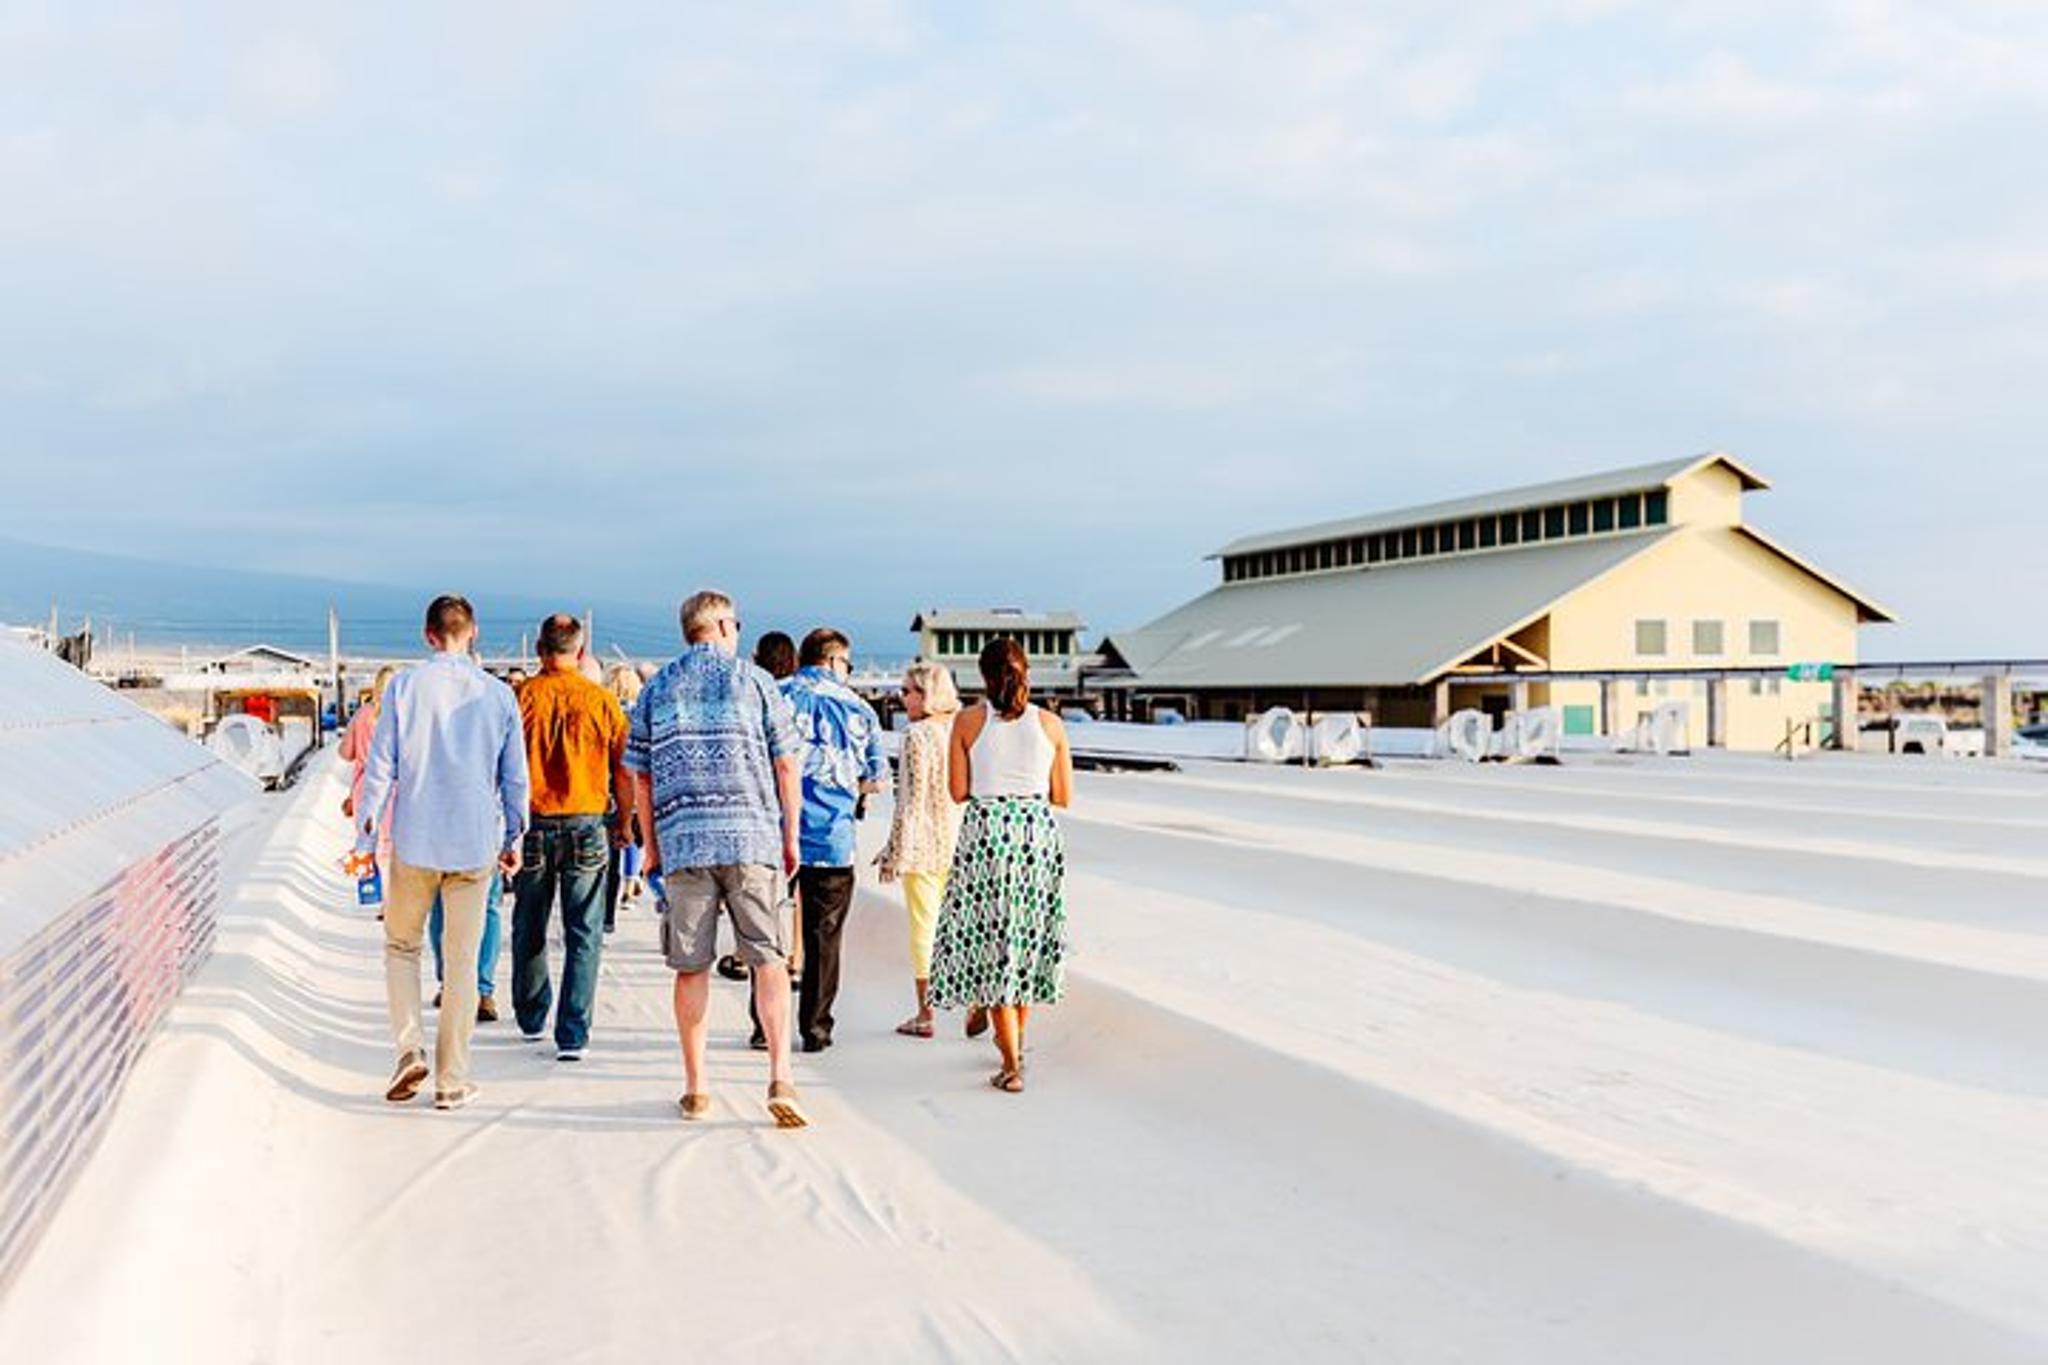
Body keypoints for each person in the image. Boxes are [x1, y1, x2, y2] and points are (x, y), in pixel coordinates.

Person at [625, 590, 809, 1128]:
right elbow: (787, 764)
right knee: (769, 960)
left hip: (684, 841)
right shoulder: (757, 682)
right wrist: (790, 835)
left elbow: (640, 776)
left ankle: (697, 1086)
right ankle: (780, 1075)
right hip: (752, 838)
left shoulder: (657, 687)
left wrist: (651, 845)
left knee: (692, 966)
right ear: (724, 626)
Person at [353, 595, 528, 1111]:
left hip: (416, 841)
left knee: (401, 947)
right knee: (462, 962)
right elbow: (515, 778)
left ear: (428, 636)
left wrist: (365, 840)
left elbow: (380, 769)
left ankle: (410, 1049)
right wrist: (514, 837)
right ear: (473, 632)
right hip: (473, 845)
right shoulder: (498, 695)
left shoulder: (404, 687)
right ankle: (452, 1078)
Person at [927, 638, 1074, 1094]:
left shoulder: (968, 721)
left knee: (992, 942)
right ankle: (1014, 1042)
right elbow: (1063, 795)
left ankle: (1010, 1065)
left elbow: (957, 791)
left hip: (987, 833)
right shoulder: (1051, 724)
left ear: (983, 675)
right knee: (1024, 940)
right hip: (1036, 834)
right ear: (1027, 672)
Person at [510, 614, 631, 1061]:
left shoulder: (521, 698)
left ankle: (530, 1016)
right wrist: (625, 822)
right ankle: (572, 1033)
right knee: (584, 931)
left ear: (540, 649)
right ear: (579, 653)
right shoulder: (602, 701)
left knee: (529, 923)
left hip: (533, 822)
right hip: (586, 821)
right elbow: (623, 770)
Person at [780, 628, 885, 1053]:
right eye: (848, 665)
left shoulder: (775, 696)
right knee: (824, 938)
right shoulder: (860, 709)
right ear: (833, 661)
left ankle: (764, 1025)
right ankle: (816, 1029)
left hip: (776, 834)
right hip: (832, 839)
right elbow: (875, 779)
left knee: (768, 933)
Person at [877, 660, 962, 1039]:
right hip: (961, 841)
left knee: (924, 929)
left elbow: (910, 800)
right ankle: (976, 1003)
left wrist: (895, 850)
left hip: (925, 844)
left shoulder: (917, 735)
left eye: (908, 691)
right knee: (959, 926)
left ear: (926, 695)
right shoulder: (960, 728)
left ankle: (926, 1014)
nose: (902, 698)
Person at [731, 632, 799, 996]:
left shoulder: (753, 693)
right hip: (810, 816)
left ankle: (743, 957)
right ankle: (795, 959)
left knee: (754, 900)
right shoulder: (793, 695)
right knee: (796, 900)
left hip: (759, 816)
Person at [602, 664, 645, 933]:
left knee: (606, 858)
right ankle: (613, 910)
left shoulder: (606, 710)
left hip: (605, 789)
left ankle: (603, 913)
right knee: (628, 845)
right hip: (634, 787)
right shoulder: (640, 715)